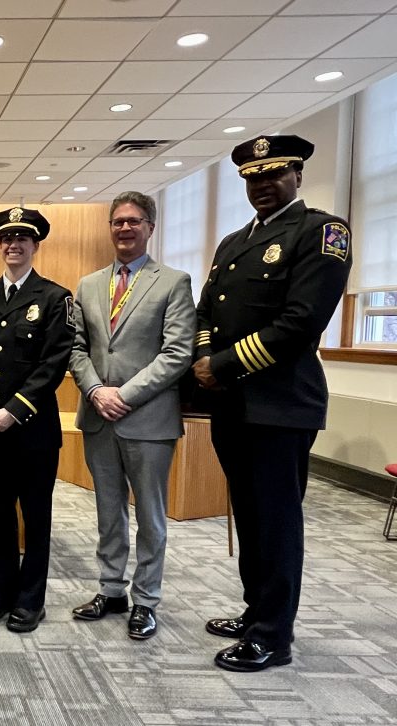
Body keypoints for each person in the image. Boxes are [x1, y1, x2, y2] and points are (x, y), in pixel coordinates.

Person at [193, 135, 352, 672]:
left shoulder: (321, 232)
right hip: (232, 405)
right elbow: (206, 313)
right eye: (253, 178)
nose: (262, 185)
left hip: (280, 404)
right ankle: (254, 610)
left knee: (277, 520)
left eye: (273, 175)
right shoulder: (234, 242)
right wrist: (204, 360)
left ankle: (273, 635)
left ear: (297, 176)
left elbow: (302, 321)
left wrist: (222, 365)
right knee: (249, 513)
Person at [68, 192, 196, 640]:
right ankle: (111, 589)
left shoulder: (174, 282)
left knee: (151, 515)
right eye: (118, 222)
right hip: (99, 415)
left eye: (134, 221)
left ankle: (146, 599)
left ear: (150, 227)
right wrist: (97, 390)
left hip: (148, 418)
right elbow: (76, 348)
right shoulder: (88, 284)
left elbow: (178, 352)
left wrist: (124, 393)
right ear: (110, 227)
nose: (125, 229)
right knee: (108, 510)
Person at [0, 207, 74, 633]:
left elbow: (53, 364)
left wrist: (14, 410)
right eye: (7, 237)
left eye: (23, 238)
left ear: (35, 245)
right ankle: (1, 588)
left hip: (32, 433)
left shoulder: (55, 299)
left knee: (36, 518)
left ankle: (30, 599)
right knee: (0, 515)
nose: (14, 244)